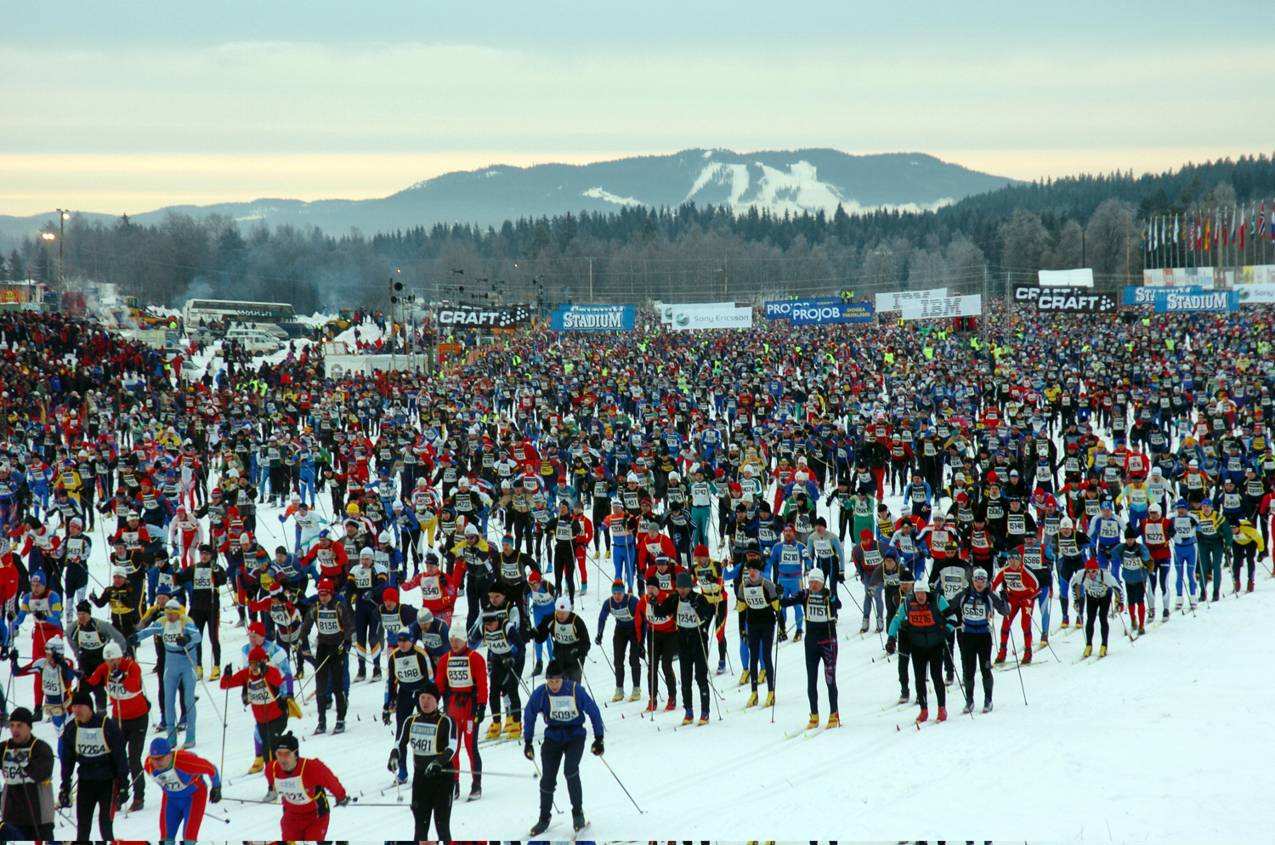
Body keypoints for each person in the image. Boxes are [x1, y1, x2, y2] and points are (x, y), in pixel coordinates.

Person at [522, 659, 604, 837]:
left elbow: (593, 711)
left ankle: (577, 813)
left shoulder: (575, 690)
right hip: (553, 736)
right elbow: (529, 713)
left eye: (557, 681)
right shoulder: (542, 693)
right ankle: (544, 818)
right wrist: (527, 741)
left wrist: (599, 738)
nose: (553, 685)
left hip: (575, 736)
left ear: (563, 679)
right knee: (548, 778)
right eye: (550, 681)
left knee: (570, 770)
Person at [85, 640, 150, 811]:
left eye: (114, 660)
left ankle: (139, 796)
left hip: (138, 718)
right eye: (108, 661)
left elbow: (134, 685)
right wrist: (78, 676)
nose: (112, 664)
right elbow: (91, 682)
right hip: (118, 718)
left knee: (133, 758)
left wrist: (123, 677)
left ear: (120, 658)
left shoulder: (131, 666)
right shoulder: (104, 668)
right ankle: (118, 793)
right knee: (115, 758)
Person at [130, 597, 201, 749]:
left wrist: (187, 638)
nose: (169, 616)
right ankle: (171, 737)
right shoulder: (163, 622)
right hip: (171, 662)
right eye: (167, 613)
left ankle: (191, 736)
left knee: (188, 699)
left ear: (177, 613)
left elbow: (197, 635)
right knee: (168, 700)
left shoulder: (186, 621)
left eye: (171, 613)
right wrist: (136, 637)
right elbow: (149, 630)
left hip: (187, 661)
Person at [390, 681, 457, 839]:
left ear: (436, 701)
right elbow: (399, 743)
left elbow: (452, 747)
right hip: (421, 779)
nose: (425, 702)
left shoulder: (446, 721)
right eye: (422, 698)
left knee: (442, 825)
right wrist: (394, 755)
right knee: (420, 827)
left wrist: (437, 762)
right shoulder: (411, 721)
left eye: (429, 698)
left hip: (443, 778)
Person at [59, 689, 129, 840]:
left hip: (108, 782)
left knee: (105, 826)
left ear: (90, 708)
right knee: (83, 828)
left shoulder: (106, 725)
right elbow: (67, 760)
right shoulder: (72, 729)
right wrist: (65, 785)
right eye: (74, 706)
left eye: (81, 706)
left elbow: (120, 756)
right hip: (86, 782)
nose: (77, 710)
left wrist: (124, 784)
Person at [779, 565, 841, 728]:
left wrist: (832, 598)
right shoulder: (805, 595)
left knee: (830, 680)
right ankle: (814, 715)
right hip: (811, 643)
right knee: (811, 681)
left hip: (828, 642)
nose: (813, 585)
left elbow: (838, 605)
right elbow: (786, 602)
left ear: (822, 583)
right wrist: (777, 594)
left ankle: (834, 713)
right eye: (811, 582)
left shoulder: (827, 595)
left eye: (817, 583)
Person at [887, 579, 956, 723]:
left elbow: (952, 617)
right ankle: (923, 710)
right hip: (917, 646)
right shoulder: (907, 603)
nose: (920, 597)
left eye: (922, 593)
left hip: (935, 644)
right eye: (917, 593)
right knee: (919, 678)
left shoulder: (937, 599)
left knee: (936, 676)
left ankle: (941, 708)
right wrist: (891, 638)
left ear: (927, 592)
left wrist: (946, 631)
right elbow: (896, 619)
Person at [264, 732, 349, 840]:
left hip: (316, 816)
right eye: (279, 754)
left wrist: (341, 797)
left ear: (295, 753)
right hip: (291, 817)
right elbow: (273, 784)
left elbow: (332, 782)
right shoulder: (271, 768)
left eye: (287, 754)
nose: (282, 759)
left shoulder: (312, 767)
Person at [219, 646, 289, 773]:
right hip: (261, 721)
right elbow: (225, 685)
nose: (253, 667)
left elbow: (278, 681)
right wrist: (226, 675)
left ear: (263, 662)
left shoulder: (272, 671)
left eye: (256, 664)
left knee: (271, 751)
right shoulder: (247, 674)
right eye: (251, 664)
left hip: (277, 717)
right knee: (268, 752)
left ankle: (279, 777)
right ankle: (273, 783)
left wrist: (265, 672)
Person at [143, 737, 222, 843]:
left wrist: (216, 787)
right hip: (171, 800)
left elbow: (211, 769)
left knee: (189, 838)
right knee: (166, 839)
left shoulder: (185, 762)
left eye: (160, 758)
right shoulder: (149, 765)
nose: (156, 763)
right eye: (153, 758)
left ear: (169, 755)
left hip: (194, 797)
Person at [955, 568, 1008, 714]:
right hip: (968, 636)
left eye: (982, 580)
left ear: (986, 582)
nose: (979, 583)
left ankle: (988, 699)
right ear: (972, 580)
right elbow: (950, 607)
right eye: (977, 580)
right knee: (969, 670)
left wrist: (1005, 599)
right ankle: (969, 700)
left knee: (985, 668)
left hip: (984, 636)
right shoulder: (964, 595)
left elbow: (1005, 611)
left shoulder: (989, 595)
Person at [0, 707, 55, 840]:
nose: (14, 730)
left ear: (29, 727)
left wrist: (24, 763)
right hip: (12, 815)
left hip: (38, 817)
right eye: (12, 725)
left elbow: (42, 773)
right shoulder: (4, 747)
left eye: (19, 725)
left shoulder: (41, 748)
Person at [1070, 558, 1125, 658]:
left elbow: (1118, 588)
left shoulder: (1106, 576)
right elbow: (1074, 585)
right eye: (1089, 571)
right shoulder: (1081, 574)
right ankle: (1088, 645)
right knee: (1090, 619)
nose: (1091, 574)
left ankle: (1104, 645)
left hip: (1105, 596)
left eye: (1094, 571)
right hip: (1091, 596)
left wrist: (1120, 602)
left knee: (1102, 618)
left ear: (1098, 569)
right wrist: (1076, 600)